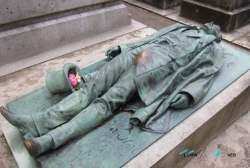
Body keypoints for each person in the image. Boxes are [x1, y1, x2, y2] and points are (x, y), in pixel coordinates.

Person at [0, 22, 224, 157]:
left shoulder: (213, 49)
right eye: (213, 24)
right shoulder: (181, 27)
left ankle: (49, 141)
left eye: (217, 28)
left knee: (105, 103)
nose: (214, 25)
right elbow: (153, 37)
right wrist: (123, 48)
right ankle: (38, 122)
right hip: (136, 55)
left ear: (217, 36)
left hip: (150, 72)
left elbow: (205, 75)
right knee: (90, 88)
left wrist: (188, 94)